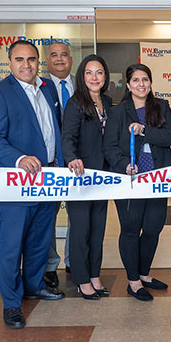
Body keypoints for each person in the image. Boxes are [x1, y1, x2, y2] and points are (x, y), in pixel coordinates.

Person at [0, 40, 65, 329]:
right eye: (19, 59)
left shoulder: (47, 89)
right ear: (9, 61)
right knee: (11, 245)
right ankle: (12, 304)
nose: (26, 65)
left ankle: (34, 284)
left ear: (38, 61)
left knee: (39, 241)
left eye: (31, 59)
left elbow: (54, 130)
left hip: (49, 180)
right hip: (17, 183)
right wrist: (19, 159)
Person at [104, 64, 171, 301]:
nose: (141, 84)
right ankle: (133, 281)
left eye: (145, 79)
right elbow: (110, 147)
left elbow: (168, 137)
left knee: (154, 228)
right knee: (131, 230)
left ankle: (144, 274)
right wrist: (124, 164)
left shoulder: (161, 106)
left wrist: (144, 130)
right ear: (128, 85)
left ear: (150, 82)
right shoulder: (117, 112)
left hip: (157, 179)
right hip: (131, 181)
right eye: (136, 80)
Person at [61, 54, 112, 300]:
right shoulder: (75, 103)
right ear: (82, 77)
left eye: (99, 72)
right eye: (89, 72)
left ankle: (94, 275)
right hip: (80, 176)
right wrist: (71, 157)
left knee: (97, 229)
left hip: (103, 177)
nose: (94, 77)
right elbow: (67, 137)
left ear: (105, 76)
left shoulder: (109, 102)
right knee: (81, 229)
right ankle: (82, 279)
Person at [43, 41, 75, 287]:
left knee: (78, 215)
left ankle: (74, 261)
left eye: (64, 54)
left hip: (78, 163)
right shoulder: (39, 87)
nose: (60, 59)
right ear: (46, 60)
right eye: (54, 55)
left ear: (71, 59)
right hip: (50, 163)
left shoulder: (82, 84)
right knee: (48, 217)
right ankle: (50, 265)